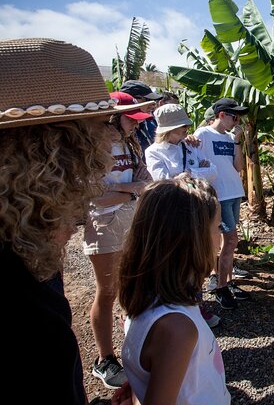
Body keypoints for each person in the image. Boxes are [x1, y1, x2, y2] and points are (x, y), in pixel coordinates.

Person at [0, 38, 147, 404]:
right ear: (58, 152)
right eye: (97, 129)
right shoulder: (19, 298)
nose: (105, 143)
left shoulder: (33, 258)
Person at [118, 176, 231, 404]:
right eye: (218, 227)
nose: (222, 236)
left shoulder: (152, 297)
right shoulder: (177, 328)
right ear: (194, 240)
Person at [83, 91, 153, 389]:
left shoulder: (130, 142)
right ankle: (105, 359)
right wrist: (136, 186)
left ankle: (133, 348)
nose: (136, 124)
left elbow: (139, 179)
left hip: (129, 217)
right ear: (114, 116)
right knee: (108, 290)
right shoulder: (95, 146)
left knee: (132, 284)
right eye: (131, 118)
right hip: (106, 223)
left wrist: (137, 181)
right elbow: (95, 197)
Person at [144, 103, 221, 328]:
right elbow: (162, 180)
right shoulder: (153, 152)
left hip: (196, 209)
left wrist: (187, 175)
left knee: (195, 258)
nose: (185, 132)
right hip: (170, 214)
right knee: (173, 259)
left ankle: (195, 304)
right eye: (180, 129)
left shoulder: (190, 147)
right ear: (166, 131)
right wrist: (194, 174)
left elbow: (212, 172)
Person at [193, 98, 251, 309]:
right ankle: (220, 287)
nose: (237, 120)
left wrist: (237, 142)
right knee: (227, 240)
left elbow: (238, 167)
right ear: (221, 115)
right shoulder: (202, 135)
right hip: (219, 195)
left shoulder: (229, 137)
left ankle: (227, 282)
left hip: (234, 191)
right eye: (234, 116)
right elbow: (193, 160)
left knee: (230, 242)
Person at [120, 79, 162, 153]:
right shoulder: (114, 131)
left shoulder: (151, 122)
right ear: (132, 99)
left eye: (154, 101)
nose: (153, 105)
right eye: (147, 100)